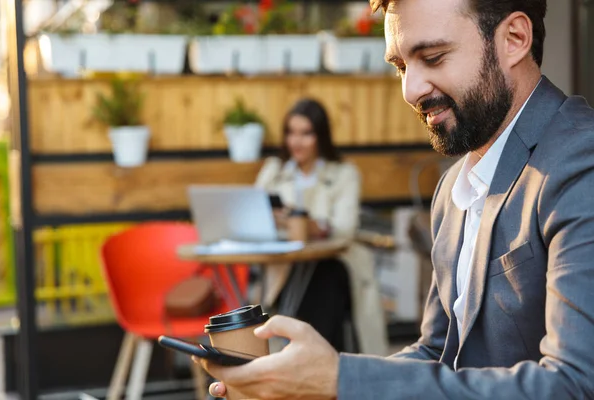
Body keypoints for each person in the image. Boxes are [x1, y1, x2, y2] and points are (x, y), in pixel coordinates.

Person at [198, 0, 594, 398]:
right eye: (401, 67)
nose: (410, 90)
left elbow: (574, 386)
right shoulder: (455, 186)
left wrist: (340, 380)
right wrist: (306, 387)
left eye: (433, 57)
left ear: (514, 39)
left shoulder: (581, 163)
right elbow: (438, 353)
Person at [254, 98, 388, 355]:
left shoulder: (344, 173)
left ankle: (312, 363)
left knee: (322, 278)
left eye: (306, 134)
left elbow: (345, 229)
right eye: (291, 133)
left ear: (321, 136)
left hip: (335, 262)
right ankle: (308, 363)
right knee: (300, 284)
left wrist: (308, 225)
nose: (296, 141)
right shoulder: (274, 171)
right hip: (284, 267)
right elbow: (254, 215)